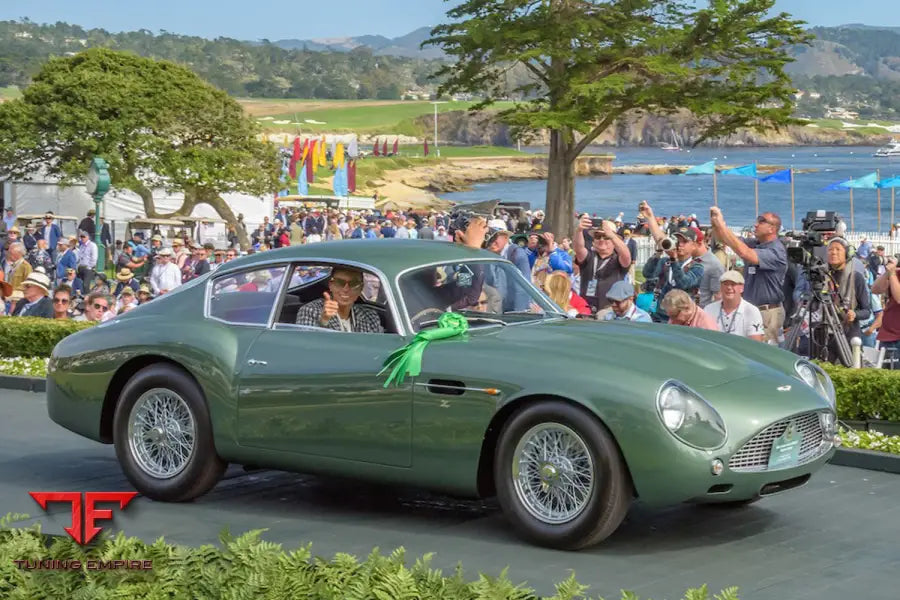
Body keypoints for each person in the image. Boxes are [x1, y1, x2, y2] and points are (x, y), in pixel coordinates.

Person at [709, 206, 787, 344]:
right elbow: (728, 240)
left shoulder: (776, 251)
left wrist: (722, 224)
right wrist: (716, 224)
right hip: (751, 309)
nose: (756, 224)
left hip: (767, 312)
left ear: (772, 228)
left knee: (764, 355)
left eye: (762, 221)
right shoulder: (757, 244)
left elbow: (745, 252)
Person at [642, 226, 704, 320]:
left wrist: (674, 260)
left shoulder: (697, 267)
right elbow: (647, 274)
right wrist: (658, 253)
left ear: (694, 246)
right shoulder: (665, 262)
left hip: (683, 318)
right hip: (660, 315)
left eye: (685, 242)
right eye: (678, 241)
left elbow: (684, 283)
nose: (680, 245)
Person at [295, 267, 384, 333]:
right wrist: (323, 322)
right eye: (339, 282)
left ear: (361, 288)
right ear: (331, 285)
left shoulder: (370, 317)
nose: (346, 289)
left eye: (353, 283)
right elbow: (305, 348)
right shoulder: (310, 311)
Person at [573, 215, 631, 315]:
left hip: (610, 311)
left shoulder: (618, 259)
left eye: (606, 237)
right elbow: (579, 248)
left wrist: (612, 235)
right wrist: (579, 230)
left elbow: (626, 255)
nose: (601, 239)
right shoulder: (589, 257)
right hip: (586, 309)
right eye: (598, 236)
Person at [703, 271, 765, 341]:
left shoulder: (752, 311)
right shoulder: (709, 309)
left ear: (741, 288)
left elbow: (756, 343)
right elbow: (704, 338)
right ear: (720, 287)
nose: (729, 287)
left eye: (733, 284)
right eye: (725, 284)